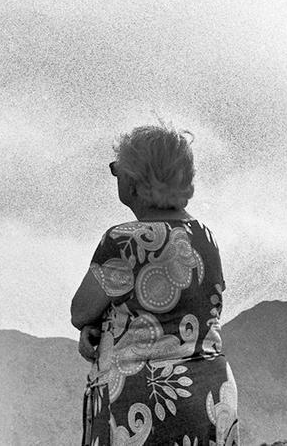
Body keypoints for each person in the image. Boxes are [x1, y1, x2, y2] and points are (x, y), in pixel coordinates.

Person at [70, 125, 239, 445]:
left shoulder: (121, 241)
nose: (115, 175)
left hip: (143, 399)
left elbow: (80, 310)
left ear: (135, 181)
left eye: (116, 168)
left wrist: (91, 326)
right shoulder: (206, 237)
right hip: (212, 397)